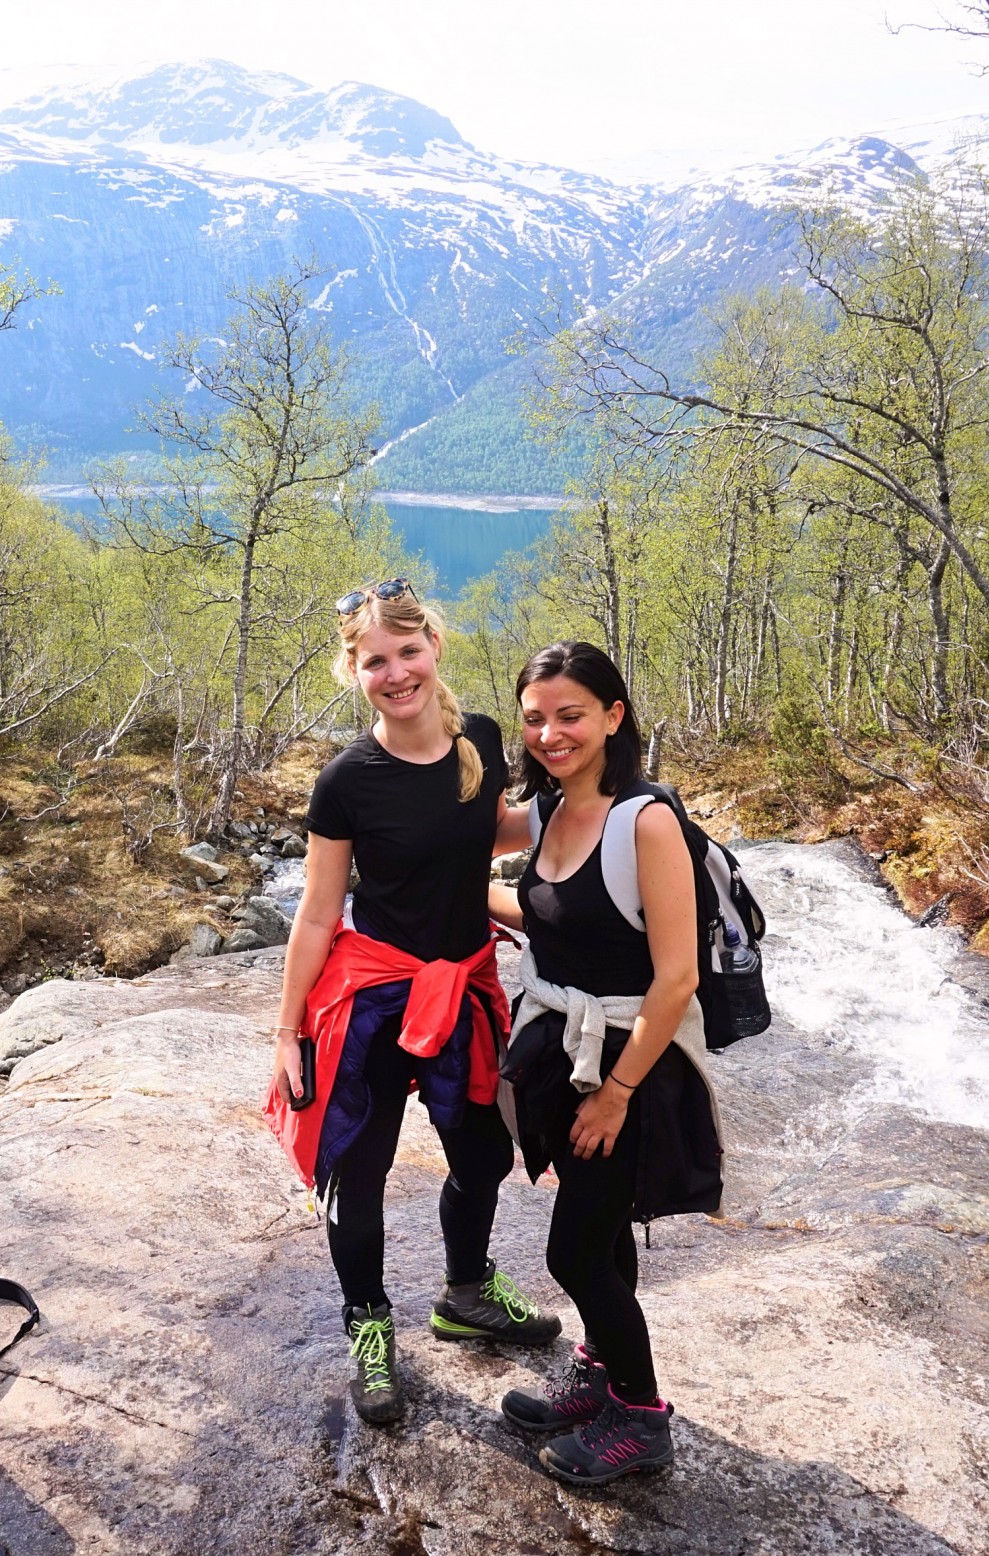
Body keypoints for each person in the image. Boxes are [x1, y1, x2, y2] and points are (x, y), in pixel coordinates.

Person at [263, 579, 559, 1428]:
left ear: (434, 646)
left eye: (407, 651)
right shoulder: (346, 781)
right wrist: (286, 1032)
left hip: (461, 986)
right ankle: (368, 1326)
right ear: (352, 672)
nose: (395, 674)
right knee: (359, 1175)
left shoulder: (484, 740)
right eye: (375, 662)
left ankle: (466, 1294)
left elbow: (484, 834)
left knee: (483, 1156)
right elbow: (318, 912)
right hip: (375, 998)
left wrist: (584, 808)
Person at [487, 640, 723, 1486]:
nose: (550, 734)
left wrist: (617, 1093)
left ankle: (642, 1417)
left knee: (575, 1253)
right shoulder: (550, 808)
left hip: (631, 1067)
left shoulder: (646, 821)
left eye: (571, 716)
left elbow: (678, 978)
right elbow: (545, 901)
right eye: (535, 719)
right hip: (568, 1053)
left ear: (614, 716)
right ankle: (601, 1374)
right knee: (604, 1229)